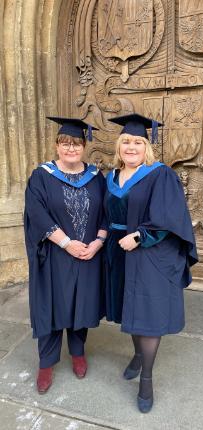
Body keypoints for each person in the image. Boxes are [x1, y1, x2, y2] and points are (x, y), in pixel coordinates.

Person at [104, 113, 198, 413]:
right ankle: (136, 355)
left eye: (137, 142)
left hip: (149, 253)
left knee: (149, 312)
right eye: (126, 142)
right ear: (119, 147)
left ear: (147, 147)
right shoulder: (111, 176)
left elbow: (169, 217)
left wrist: (141, 236)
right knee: (129, 307)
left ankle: (146, 378)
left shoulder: (160, 175)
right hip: (119, 252)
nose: (131, 147)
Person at [24, 116, 107, 394]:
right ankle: (46, 363)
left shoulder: (96, 177)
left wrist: (97, 242)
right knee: (52, 306)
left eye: (76, 144)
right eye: (65, 143)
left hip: (87, 255)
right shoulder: (41, 176)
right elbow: (36, 214)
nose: (70, 149)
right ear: (57, 145)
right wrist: (66, 243)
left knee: (80, 305)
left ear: (84, 146)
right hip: (55, 254)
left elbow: (107, 214)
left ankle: (78, 351)